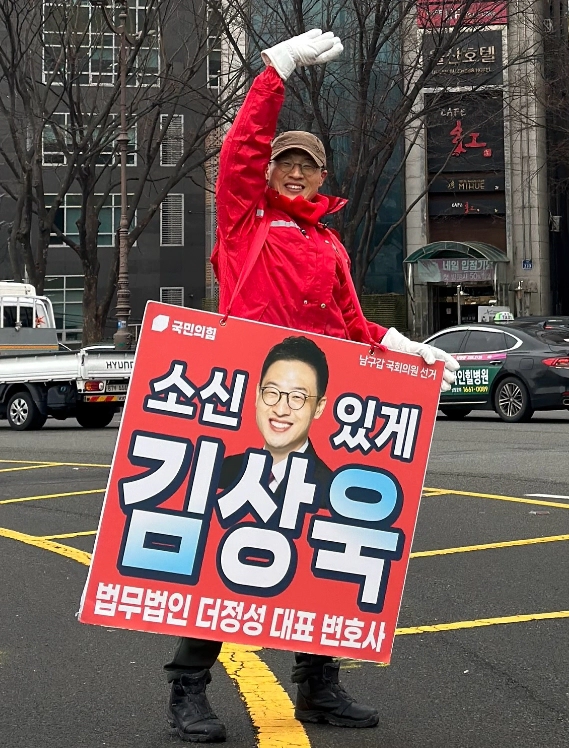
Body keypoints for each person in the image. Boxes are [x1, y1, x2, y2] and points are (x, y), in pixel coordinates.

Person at [167, 28, 460, 743]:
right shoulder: (244, 219)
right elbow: (238, 151)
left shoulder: (327, 243)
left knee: (316, 548)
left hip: (316, 415)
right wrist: (276, 70)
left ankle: (317, 686)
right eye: (284, 164)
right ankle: (186, 693)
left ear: (320, 177)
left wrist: (407, 349)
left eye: (308, 166)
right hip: (244, 407)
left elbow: (353, 327)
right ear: (267, 172)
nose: (295, 174)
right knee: (223, 549)